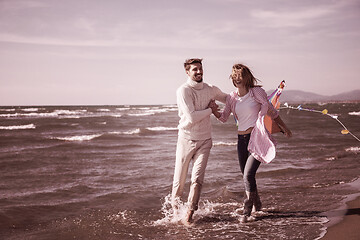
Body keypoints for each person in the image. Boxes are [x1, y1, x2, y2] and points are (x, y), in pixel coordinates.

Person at [209, 63, 292, 223]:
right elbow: (224, 117)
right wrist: (214, 110)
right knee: (247, 176)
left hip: (257, 137)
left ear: (247, 77)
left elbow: (271, 111)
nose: (237, 78)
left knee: (248, 174)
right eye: (235, 76)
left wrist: (284, 127)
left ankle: (247, 210)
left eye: (240, 75)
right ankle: (257, 204)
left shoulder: (256, 93)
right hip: (241, 141)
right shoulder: (232, 98)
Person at [171, 58, 227, 225]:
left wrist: (251, 94)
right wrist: (211, 109)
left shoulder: (210, 89)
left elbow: (229, 99)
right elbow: (192, 117)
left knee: (197, 180)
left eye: (200, 69)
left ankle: (189, 214)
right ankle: (174, 213)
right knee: (179, 180)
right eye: (195, 69)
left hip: (205, 141)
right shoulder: (183, 90)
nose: (198, 72)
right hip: (186, 139)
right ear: (187, 72)